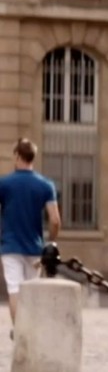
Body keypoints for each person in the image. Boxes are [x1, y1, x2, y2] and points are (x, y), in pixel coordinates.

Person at [0, 139, 60, 332]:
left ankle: (20, 332)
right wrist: (51, 241)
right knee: (31, 291)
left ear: (17, 156)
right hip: (35, 248)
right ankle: (32, 331)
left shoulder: (4, 184)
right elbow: (55, 220)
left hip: (10, 246)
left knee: (14, 289)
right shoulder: (45, 185)